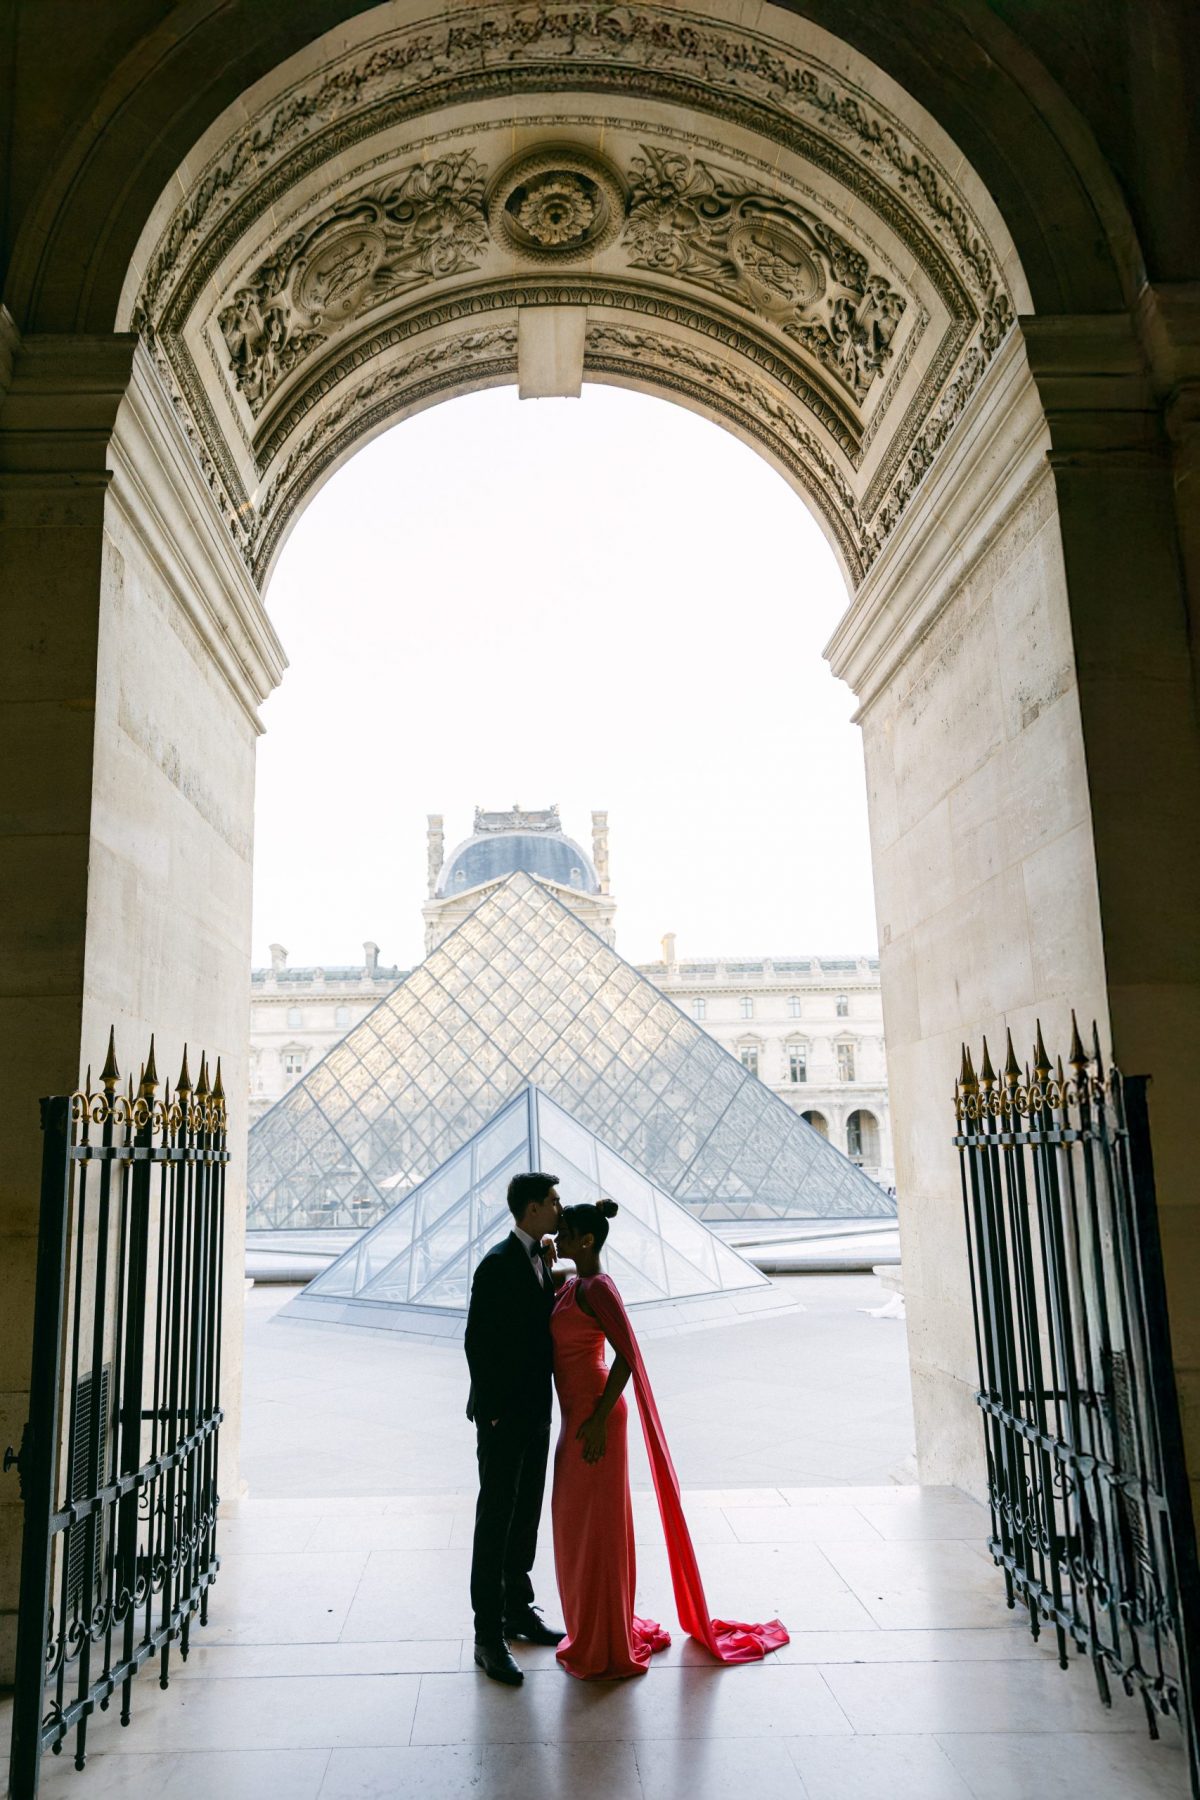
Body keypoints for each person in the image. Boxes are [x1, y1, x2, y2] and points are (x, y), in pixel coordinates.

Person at [551, 1199, 789, 1679]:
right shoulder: (575, 1281)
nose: (560, 1235)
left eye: (568, 1231)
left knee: (595, 1530)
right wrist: (546, 1248)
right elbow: (547, 1269)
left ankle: (604, 1640)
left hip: (595, 1418)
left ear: (588, 1240)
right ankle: (594, 1625)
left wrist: (598, 1419)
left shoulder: (598, 1288)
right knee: (576, 1526)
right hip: (579, 1413)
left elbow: (628, 1357)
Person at [464, 1170, 566, 1685]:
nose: (558, 1208)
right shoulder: (498, 1263)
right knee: (496, 1521)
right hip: (507, 1416)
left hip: (536, 1411)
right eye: (552, 1201)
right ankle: (488, 1636)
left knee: (525, 1512)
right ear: (530, 1209)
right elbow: (477, 1343)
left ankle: (518, 1612)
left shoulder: (539, 1260)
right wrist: (495, 1412)